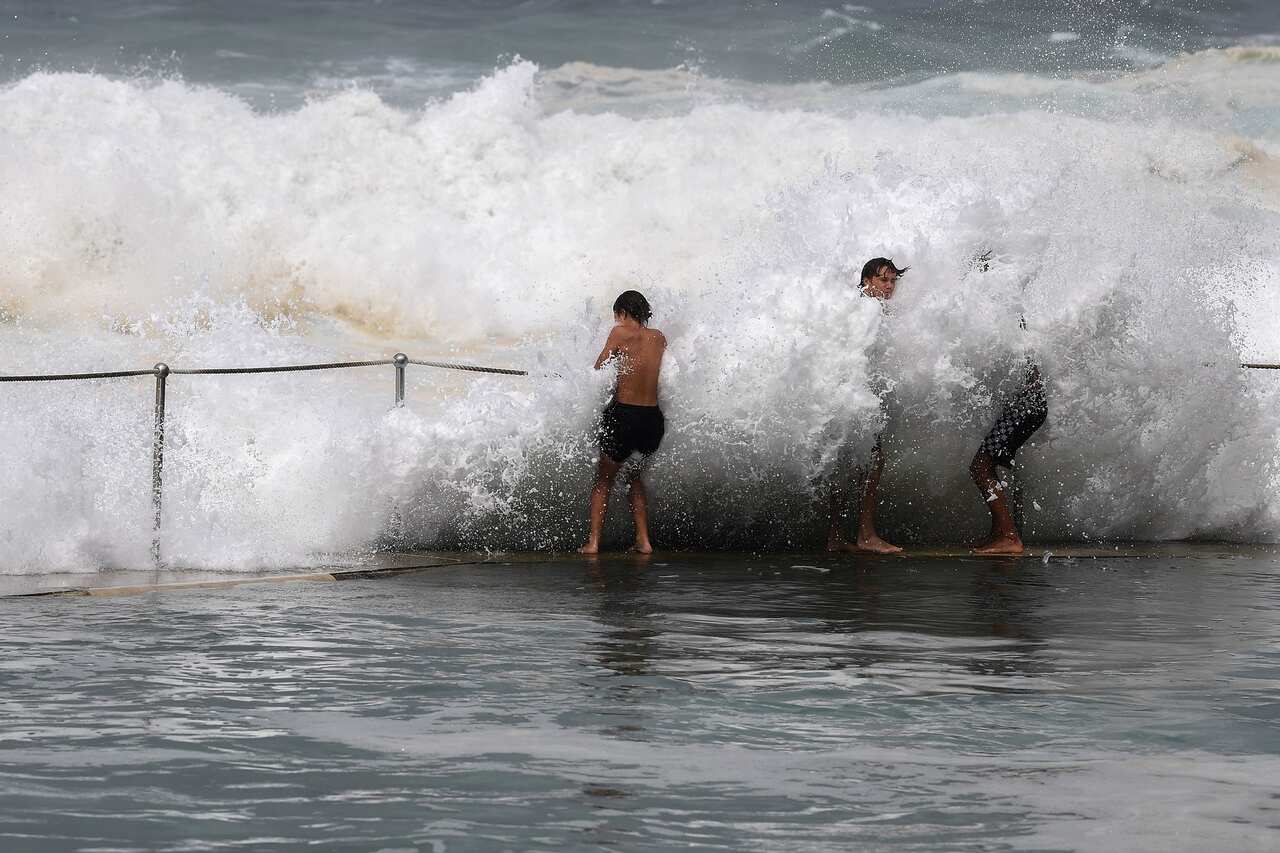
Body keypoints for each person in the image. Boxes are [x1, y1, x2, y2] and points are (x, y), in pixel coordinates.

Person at [968, 254, 1048, 555]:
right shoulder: (1011, 313)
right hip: (1029, 404)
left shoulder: (1002, 316)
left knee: (979, 467)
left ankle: (1010, 537)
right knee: (991, 465)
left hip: (1025, 405)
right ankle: (1000, 533)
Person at [579, 290, 667, 555]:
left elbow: (599, 366)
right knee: (634, 477)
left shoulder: (619, 333)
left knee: (603, 480)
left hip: (624, 415)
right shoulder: (659, 337)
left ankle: (593, 543)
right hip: (652, 419)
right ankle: (644, 541)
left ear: (623, 312)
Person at [827, 258, 905, 555]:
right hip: (856, 400)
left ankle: (835, 537)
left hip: (843, 400)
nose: (889, 287)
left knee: (845, 468)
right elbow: (856, 356)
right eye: (884, 280)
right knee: (873, 463)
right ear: (867, 281)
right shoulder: (870, 310)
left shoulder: (857, 306)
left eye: (893, 282)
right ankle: (866, 535)